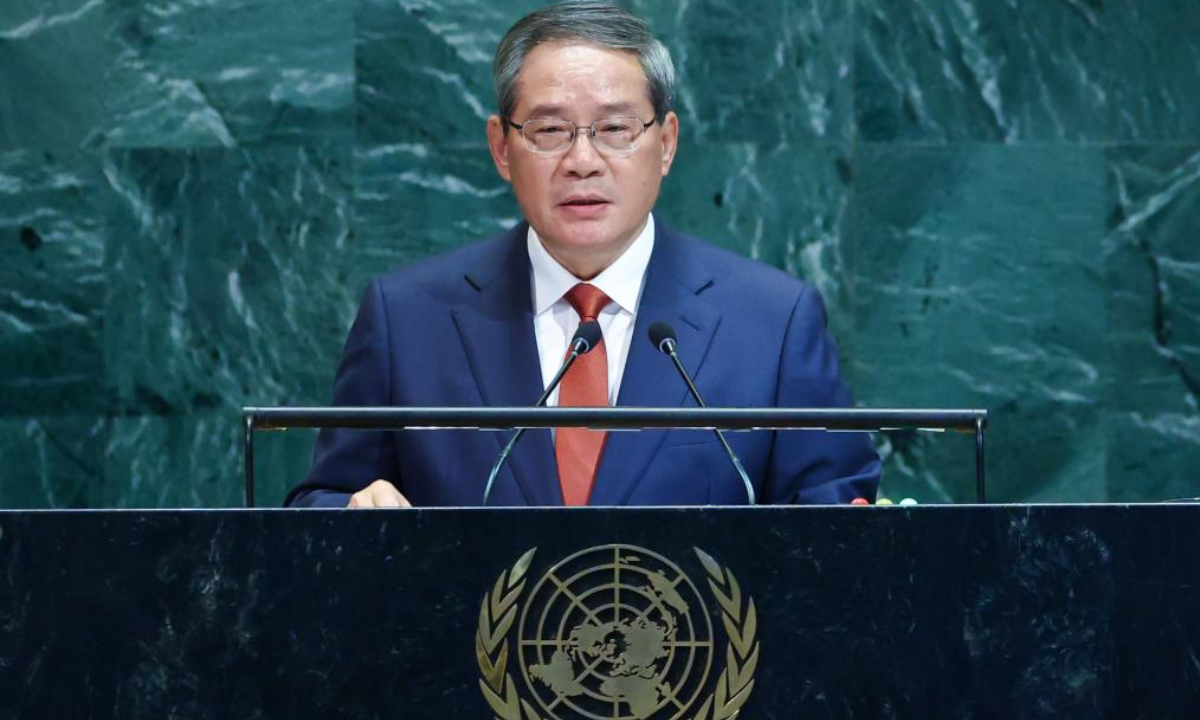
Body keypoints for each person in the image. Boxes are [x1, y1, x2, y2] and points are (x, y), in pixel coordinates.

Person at [285, 1, 880, 509]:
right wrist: (352, 518)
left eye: (615, 129)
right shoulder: (407, 318)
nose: (583, 161)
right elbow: (321, 504)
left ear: (666, 143)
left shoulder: (773, 322)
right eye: (549, 131)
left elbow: (835, 521)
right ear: (501, 148)